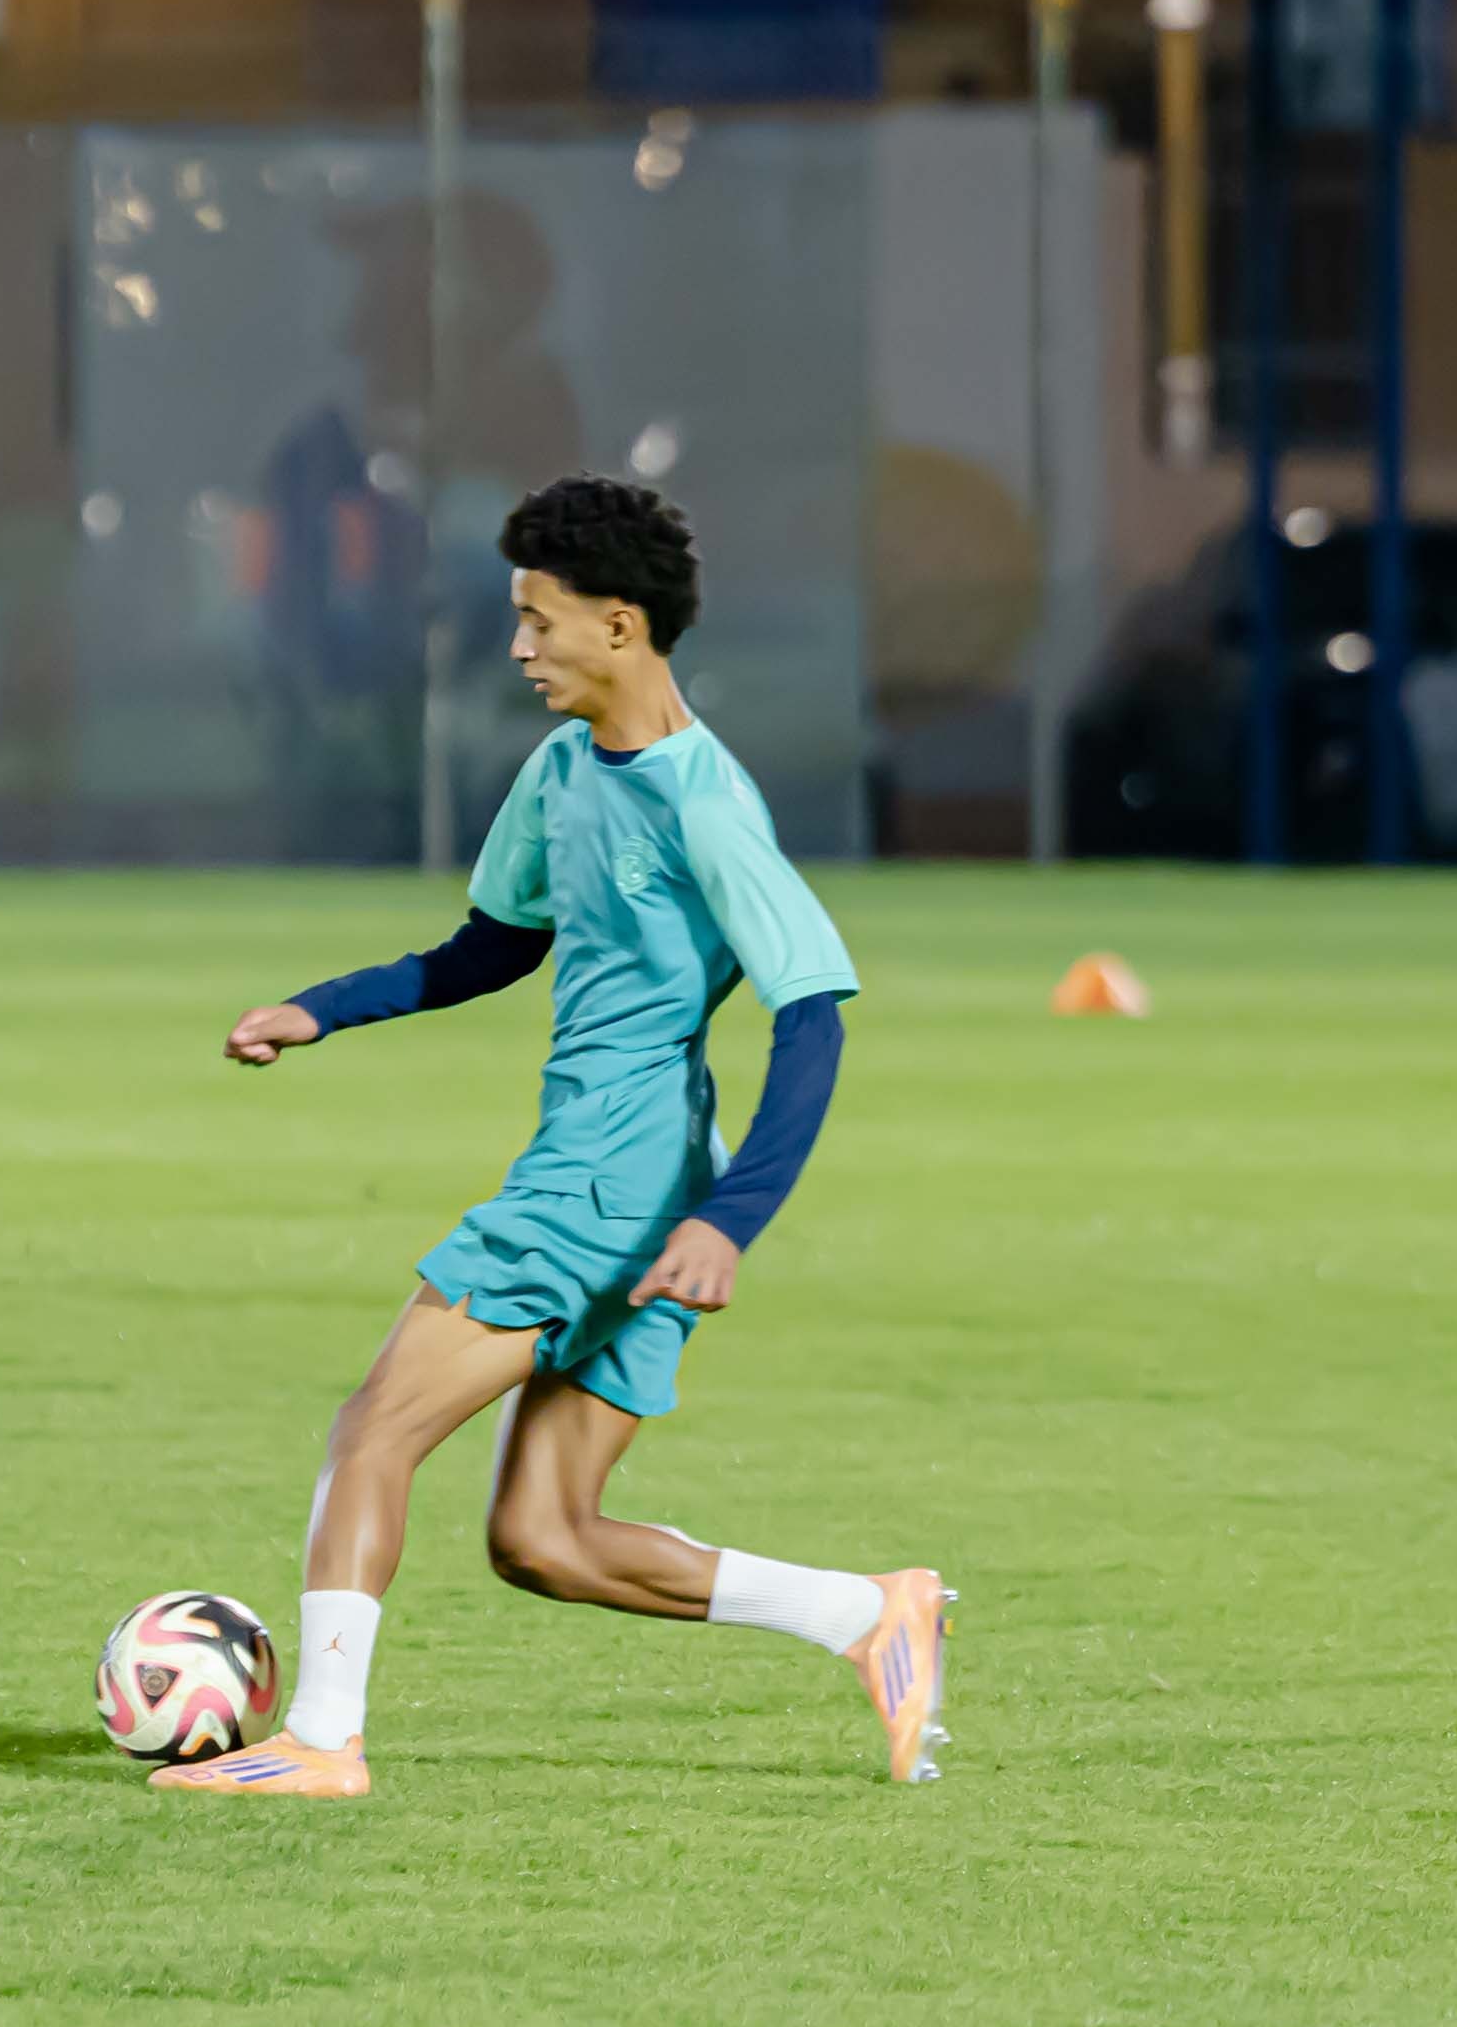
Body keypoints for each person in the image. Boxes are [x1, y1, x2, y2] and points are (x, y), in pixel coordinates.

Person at [178, 474, 952, 1800]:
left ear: (623, 627)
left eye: (541, 621)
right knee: (544, 1539)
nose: (519, 648)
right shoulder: (564, 771)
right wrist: (323, 1010)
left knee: (373, 1431)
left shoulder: (703, 803)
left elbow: (813, 1009)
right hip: (643, 1188)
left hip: (607, 1187)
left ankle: (320, 1741)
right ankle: (867, 1613)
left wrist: (728, 1222)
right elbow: (492, 946)